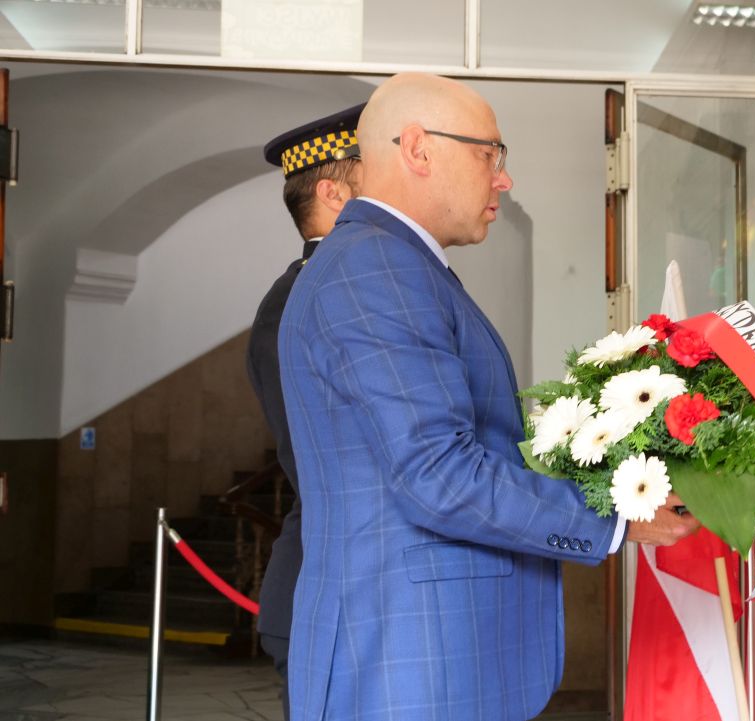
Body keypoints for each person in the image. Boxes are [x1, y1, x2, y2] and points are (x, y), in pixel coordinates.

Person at [277, 73, 700, 721]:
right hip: (410, 662)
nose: (503, 178)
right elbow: (437, 473)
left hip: (420, 655)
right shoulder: (377, 267)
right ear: (418, 148)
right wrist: (616, 517)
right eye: (489, 154)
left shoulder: (392, 262)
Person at [246, 103, 364, 721]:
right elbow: (324, 455)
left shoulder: (357, 286)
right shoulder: (300, 300)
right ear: (333, 194)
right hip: (329, 593)